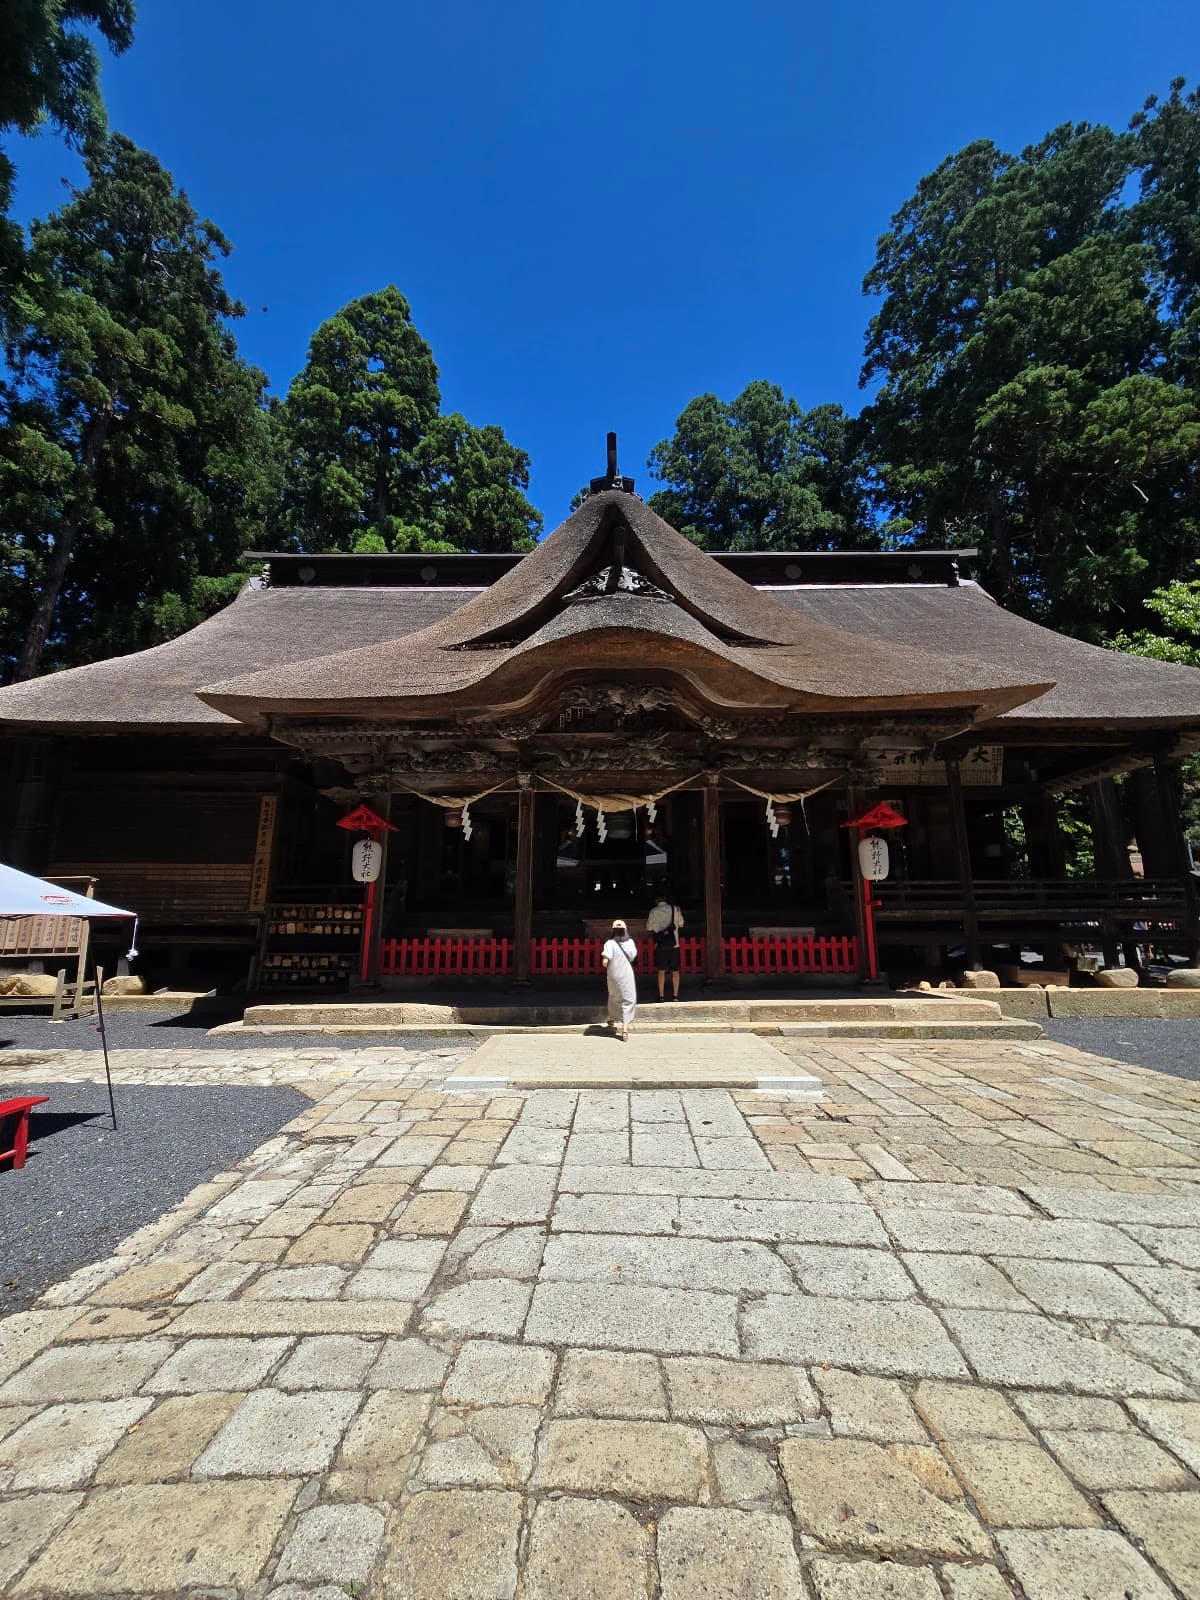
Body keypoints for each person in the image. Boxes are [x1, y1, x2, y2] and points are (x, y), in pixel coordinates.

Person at [601, 918, 639, 1041]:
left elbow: (605, 962)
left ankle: (612, 1018)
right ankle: (625, 1029)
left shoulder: (609, 943)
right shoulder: (630, 942)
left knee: (614, 996)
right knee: (629, 999)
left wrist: (606, 961)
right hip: (626, 974)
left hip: (613, 974)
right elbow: (632, 957)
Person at [647, 889, 685, 1000]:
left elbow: (649, 927)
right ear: (665, 898)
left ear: (656, 900)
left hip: (660, 944)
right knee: (675, 971)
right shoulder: (675, 909)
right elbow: (681, 924)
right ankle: (675, 996)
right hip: (674, 944)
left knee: (661, 970)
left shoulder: (653, 911)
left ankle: (661, 996)